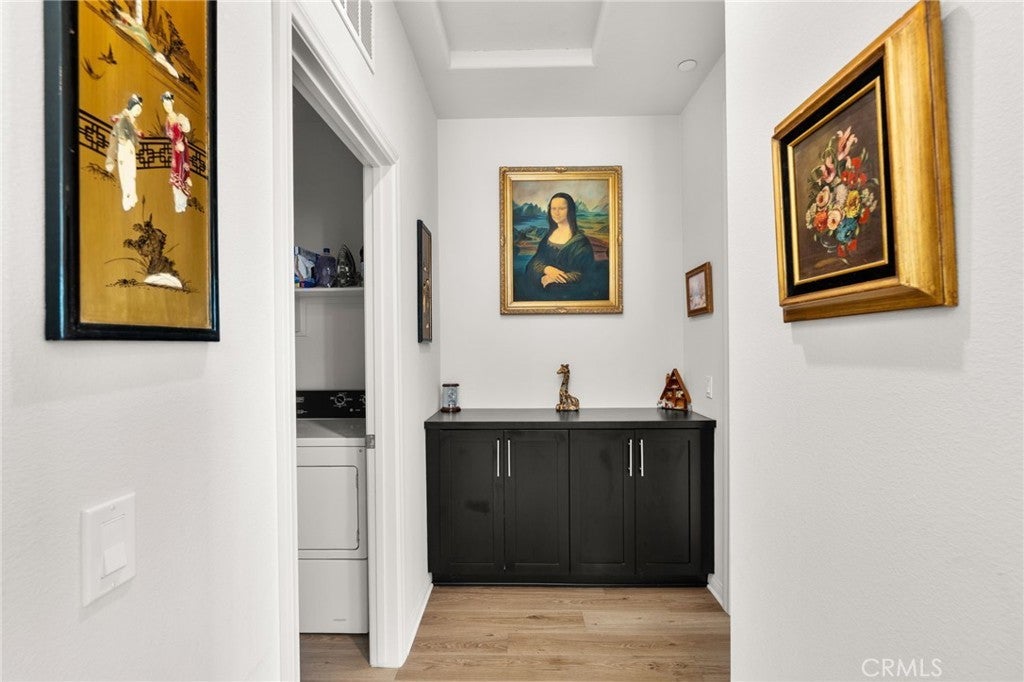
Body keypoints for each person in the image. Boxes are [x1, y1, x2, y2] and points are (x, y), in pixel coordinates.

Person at [518, 192, 603, 300]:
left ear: (570, 211)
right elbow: (534, 262)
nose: (556, 212)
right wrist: (546, 269)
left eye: (561, 208)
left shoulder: (581, 242)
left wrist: (556, 278)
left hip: (569, 294)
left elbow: (585, 274)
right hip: (543, 290)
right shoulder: (548, 236)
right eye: (553, 209)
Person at [105, 94, 143, 211]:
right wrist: (110, 159)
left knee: (131, 174)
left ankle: (131, 196)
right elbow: (114, 138)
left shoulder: (132, 121)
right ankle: (127, 199)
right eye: (137, 109)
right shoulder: (122, 118)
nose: (138, 112)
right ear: (131, 106)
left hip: (130, 149)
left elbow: (135, 138)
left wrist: (137, 136)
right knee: (126, 175)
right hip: (124, 148)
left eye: (139, 110)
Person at [161, 91, 192, 212]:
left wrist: (181, 142)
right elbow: (170, 135)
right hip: (176, 149)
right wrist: (176, 143)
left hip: (183, 147)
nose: (167, 106)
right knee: (176, 173)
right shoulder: (168, 120)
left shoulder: (179, 117)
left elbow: (186, 128)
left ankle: (183, 203)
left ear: (172, 103)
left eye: (168, 103)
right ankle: (179, 204)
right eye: (165, 104)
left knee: (183, 169)